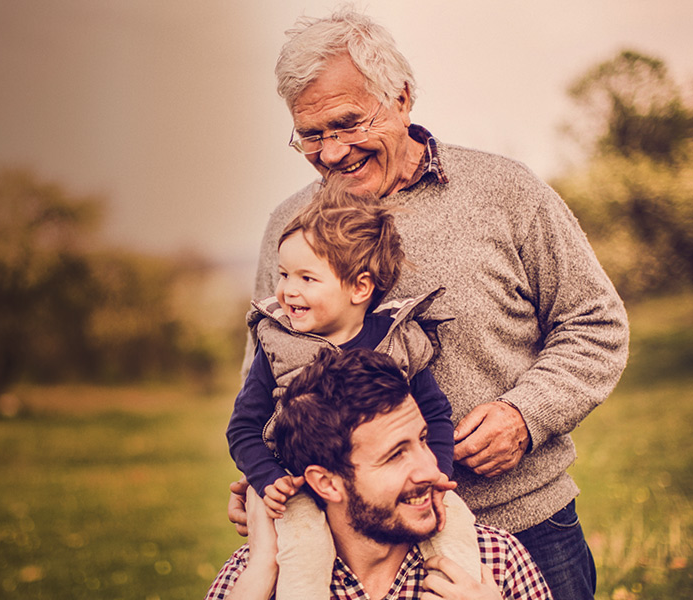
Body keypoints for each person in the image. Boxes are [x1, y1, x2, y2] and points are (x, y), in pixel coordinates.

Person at [217, 8, 629, 600]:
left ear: (402, 98)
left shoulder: (505, 192)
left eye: (348, 123)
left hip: (521, 522)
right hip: (351, 552)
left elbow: (596, 323)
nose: (331, 152)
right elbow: (271, 374)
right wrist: (268, 474)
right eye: (311, 134)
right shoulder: (289, 228)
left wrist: (525, 414)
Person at [226, 180, 479, 598]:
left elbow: (434, 413)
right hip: (300, 487)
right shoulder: (277, 344)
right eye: (284, 274)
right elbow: (243, 427)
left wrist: (436, 473)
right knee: (304, 551)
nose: (288, 290)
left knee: (456, 529)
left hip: (395, 492)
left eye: (307, 278)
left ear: (360, 288)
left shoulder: (396, 339)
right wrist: (267, 478)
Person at [219, 348, 554, 600]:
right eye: (395, 455)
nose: (430, 470)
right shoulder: (255, 577)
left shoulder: (494, 561)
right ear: (327, 483)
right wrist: (261, 572)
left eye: (423, 439)